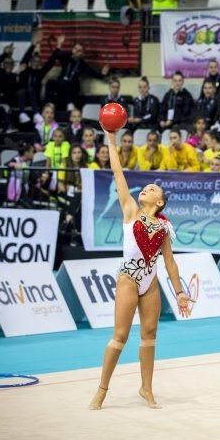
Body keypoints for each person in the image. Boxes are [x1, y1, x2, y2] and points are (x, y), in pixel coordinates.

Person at [88, 120, 192, 411]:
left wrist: (180, 292)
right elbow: (118, 172)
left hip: (151, 281)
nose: (145, 189)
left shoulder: (164, 226)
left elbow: (170, 262)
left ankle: (146, 389)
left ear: (160, 202)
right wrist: (111, 138)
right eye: (145, 187)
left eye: (151, 189)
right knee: (120, 335)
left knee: (149, 335)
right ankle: (101, 390)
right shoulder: (131, 210)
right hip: (129, 278)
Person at [47, 36, 110, 111]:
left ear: (82, 53)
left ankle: (70, 104)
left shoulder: (82, 64)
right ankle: (50, 103)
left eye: (79, 51)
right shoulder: (66, 57)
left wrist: (103, 74)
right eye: (75, 49)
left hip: (72, 88)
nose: (76, 51)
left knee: (68, 83)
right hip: (61, 86)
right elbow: (56, 55)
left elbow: (94, 74)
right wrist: (59, 45)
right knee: (50, 82)